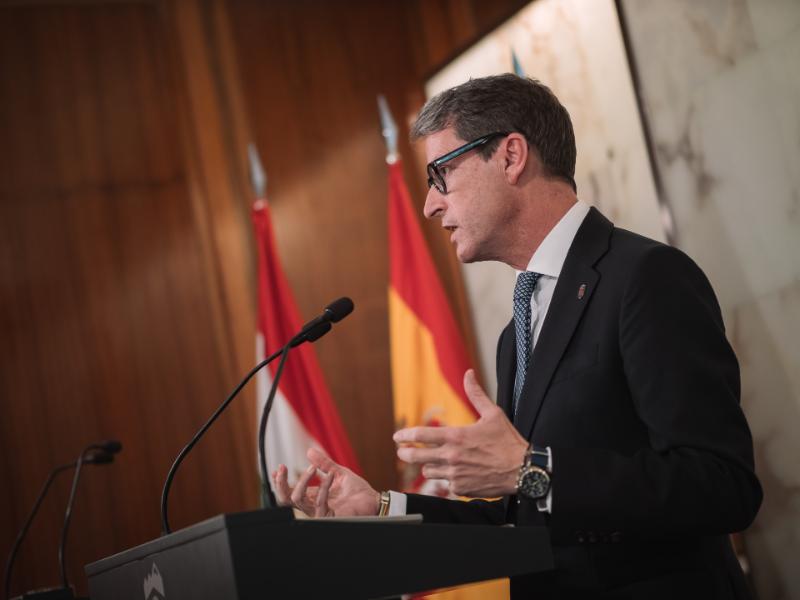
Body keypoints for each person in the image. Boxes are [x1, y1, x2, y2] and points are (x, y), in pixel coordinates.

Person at [273, 74, 762, 599]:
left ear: (510, 156)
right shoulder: (516, 333)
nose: (430, 205)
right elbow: (521, 517)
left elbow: (721, 485)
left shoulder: (644, 277)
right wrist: (381, 508)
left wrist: (534, 472)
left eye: (441, 173)